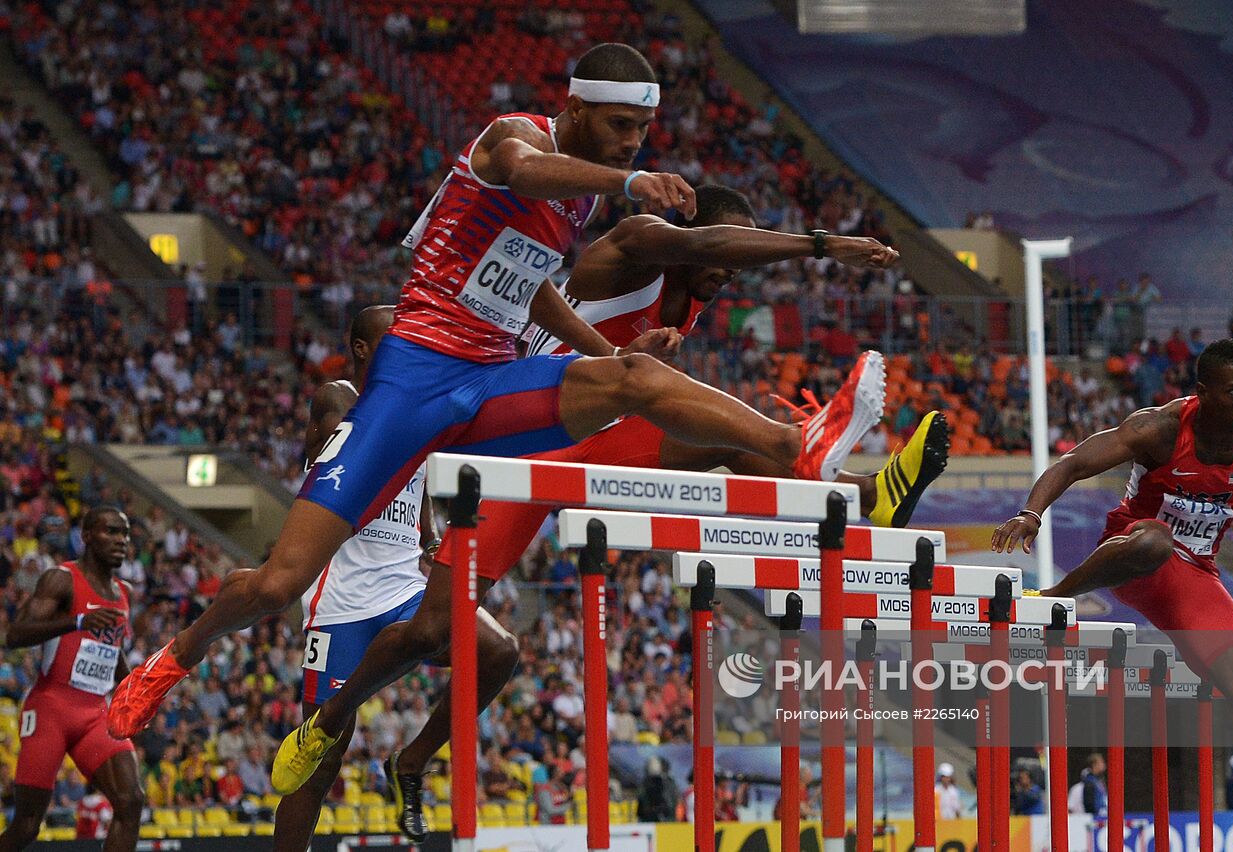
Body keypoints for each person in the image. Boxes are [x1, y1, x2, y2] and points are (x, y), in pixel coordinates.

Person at [109, 42, 886, 751]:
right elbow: (520, 172)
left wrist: (605, 352)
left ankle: (798, 445)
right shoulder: (515, 138)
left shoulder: (577, 202)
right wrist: (628, 181)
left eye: (640, 135)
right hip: (413, 380)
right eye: (617, 127)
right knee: (279, 584)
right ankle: (175, 657)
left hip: (489, 380)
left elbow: (532, 285)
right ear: (576, 110)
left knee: (637, 380)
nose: (628, 144)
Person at [268, 189, 921, 830]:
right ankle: (347, 731)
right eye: (727, 258)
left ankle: (865, 493)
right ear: (694, 234)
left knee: (723, 434)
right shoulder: (633, 241)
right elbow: (710, 244)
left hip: (588, 446)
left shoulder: (688, 300)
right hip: (522, 458)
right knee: (434, 631)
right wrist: (821, 246)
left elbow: (699, 279)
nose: (728, 272)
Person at [991, 339, 1233, 846]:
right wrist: (1031, 513)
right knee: (1155, 539)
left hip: (1194, 573)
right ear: (1203, 393)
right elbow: (1074, 464)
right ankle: (1057, 595)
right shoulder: (1160, 428)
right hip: (1130, 552)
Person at [270, 305, 521, 850]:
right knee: (323, 757)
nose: (412, 347)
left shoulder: (417, 406)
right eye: (397, 339)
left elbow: (420, 473)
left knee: (498, 651)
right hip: (340, 597)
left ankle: (412, 759)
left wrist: (428, 534)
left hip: (403, 584)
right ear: (363, 348)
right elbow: (322, 454)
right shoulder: (340, 397)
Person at [0, 507, 144, 852]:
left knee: (131, 802)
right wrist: (76, 622)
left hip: (95, 713)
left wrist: (137, 695)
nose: (121, 541)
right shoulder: (61, 580)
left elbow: (112, 651)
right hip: (51, 709)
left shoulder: (123, 592)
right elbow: (15, 635)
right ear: (87, 536)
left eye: (125, 534)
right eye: (111, 532)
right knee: (27, 825)